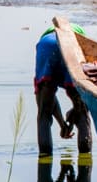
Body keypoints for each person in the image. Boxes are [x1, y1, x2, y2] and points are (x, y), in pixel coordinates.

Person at [34, 25, 92, 156]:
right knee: (83, 113)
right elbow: (81, 99)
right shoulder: (80, 37)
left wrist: (63, 124)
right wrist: (76, 110)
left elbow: (48, 101)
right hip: (71, 47)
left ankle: (45, 156)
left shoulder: (45, 38)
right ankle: (85, 157)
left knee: (44, 113)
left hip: (46, 47)